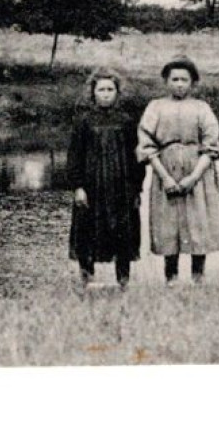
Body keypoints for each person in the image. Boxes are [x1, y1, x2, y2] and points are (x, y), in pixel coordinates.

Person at [137, 56, 219, 284]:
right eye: (174, 79)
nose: (179, 84)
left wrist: (194, 177)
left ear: (192, 83)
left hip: (197, 172)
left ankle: (198, 278)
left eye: (184, 80)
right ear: (166, 81)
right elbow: (146, 144)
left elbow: (211, 145)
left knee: (198, 223)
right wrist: (164, 177)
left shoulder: (201, 108)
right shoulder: (155, 107)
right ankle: (171, 279)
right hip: (165, 170)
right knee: (168, 226)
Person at [67, 68, 143, 289]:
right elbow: (74, 157)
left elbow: (135, 157)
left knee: (123, 230)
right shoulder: (83, 121)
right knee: (87, 228)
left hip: (121, 186)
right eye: (101, 89)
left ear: (117, 93)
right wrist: (78, 186)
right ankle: (86, 277)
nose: (106, 94)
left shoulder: (127, 121)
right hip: (92, 186)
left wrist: (137, 188)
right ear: (93, 92)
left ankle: (123, 280)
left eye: (111, 89)